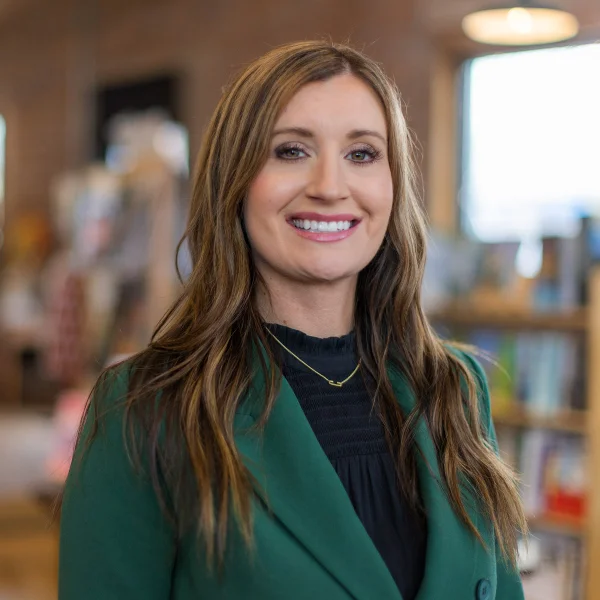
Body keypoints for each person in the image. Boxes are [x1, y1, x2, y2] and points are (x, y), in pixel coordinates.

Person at [58, 40, 527, 600]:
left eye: (362, 154)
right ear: (234, 181)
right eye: (290, 151)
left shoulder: (455, 389)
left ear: (393, 186)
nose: (330, 187)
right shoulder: (145, 409)